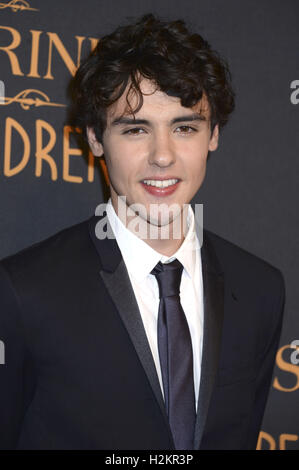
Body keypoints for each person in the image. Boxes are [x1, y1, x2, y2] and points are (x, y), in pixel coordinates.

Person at [0, 14, 285, 450]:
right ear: (95, 138)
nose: (163, 156)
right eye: (136, 129)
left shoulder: (261, 289)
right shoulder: (23, 291)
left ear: (214, 135)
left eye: (184, 127)